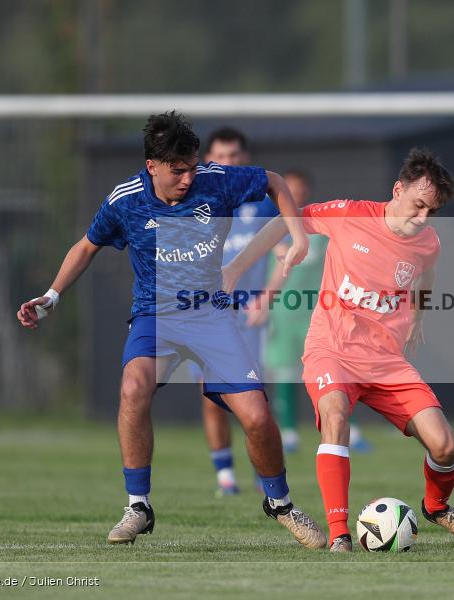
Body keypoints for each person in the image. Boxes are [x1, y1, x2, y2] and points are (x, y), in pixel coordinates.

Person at [16, 111, 326, 548]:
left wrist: (298, 238)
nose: (187, 178)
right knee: (133, 388)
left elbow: (275, 181)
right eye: (178, 170)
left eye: (192, 167)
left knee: (257, 417)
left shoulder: (214, 180)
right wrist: (51, 296)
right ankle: (138, 506)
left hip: (212, 316)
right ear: (152, 166)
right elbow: (87, 246)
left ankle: (280, 504)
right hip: (155, 316)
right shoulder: (124, 200)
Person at [225, 147, 454, 552]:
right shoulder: (351, 214)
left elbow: (428, 272)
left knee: (445, 445)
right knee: (335, 418)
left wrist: (419, 313)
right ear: (397, 190)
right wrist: (236, 268)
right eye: (418, 205)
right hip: (331, 348)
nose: (421, 218)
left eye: (430, 212)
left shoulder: (427, 242)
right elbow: (285, 220)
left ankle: (437, 507)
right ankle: (339, 535)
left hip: (385, 361)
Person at [194, 127, 281, 497]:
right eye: (220, 158)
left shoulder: (264, 203)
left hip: (251, 317)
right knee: (210, 393)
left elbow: (284, 253)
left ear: (245, 160)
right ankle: (225, 475)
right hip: (208, 317)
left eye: (234, 157)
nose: (227, 164)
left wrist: (268, 296)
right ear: (207, 162)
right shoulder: (193, 205)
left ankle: (265, 475)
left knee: (257, 400)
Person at [264, 170, 372, 454]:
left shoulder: (322, 229)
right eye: (289, 189)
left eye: (300, 189)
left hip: (321, 315)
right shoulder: (270, 230)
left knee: (335, 373)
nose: (295, 194)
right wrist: (264, 304)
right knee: (286, 372)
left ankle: (349, 429)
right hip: (285, 315)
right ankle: (288, 432)